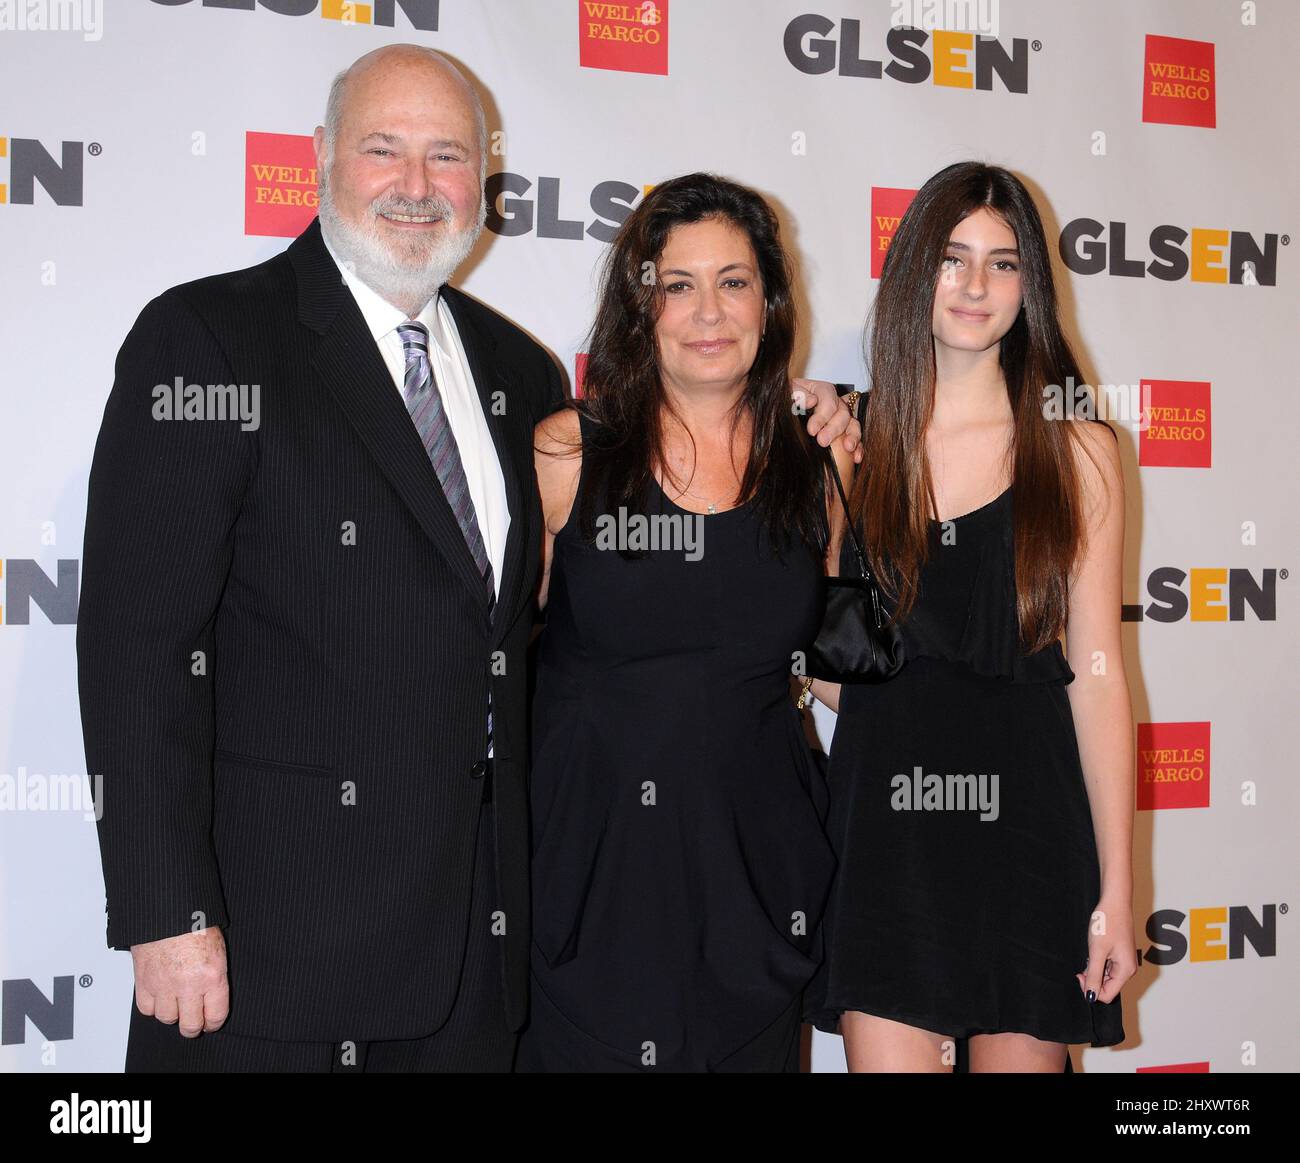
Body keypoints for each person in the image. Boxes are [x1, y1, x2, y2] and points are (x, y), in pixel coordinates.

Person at [77, 47, 859, 1073]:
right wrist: (162, 908)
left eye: (446, 155)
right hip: (272, 951)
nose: (415, 185)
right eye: (383, 149)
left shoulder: (513, 372)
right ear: (320, 158)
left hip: (477, 954)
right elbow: (139, 641)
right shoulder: (211, 340)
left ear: (482, 183)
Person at [517, 173, 855, 1073]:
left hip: (755, 887)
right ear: (643, 304)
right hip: (589, 888)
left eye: (734, 281)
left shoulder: (817, 466)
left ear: (770, 301)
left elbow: (842, 669)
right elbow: (491, 666)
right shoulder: (569, 451)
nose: (709, 310)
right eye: (678, 284)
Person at [806, 162, 1137, 1072]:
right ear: (917, 269)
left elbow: (1099, 676)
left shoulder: (1079, 451)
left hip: (1029, 837)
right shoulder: (851, 442)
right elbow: (840, 670)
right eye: (953, 259)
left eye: (1002, 263)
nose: (976, 286)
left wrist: (1117, 885)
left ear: (1032, 284)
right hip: (883, 840)